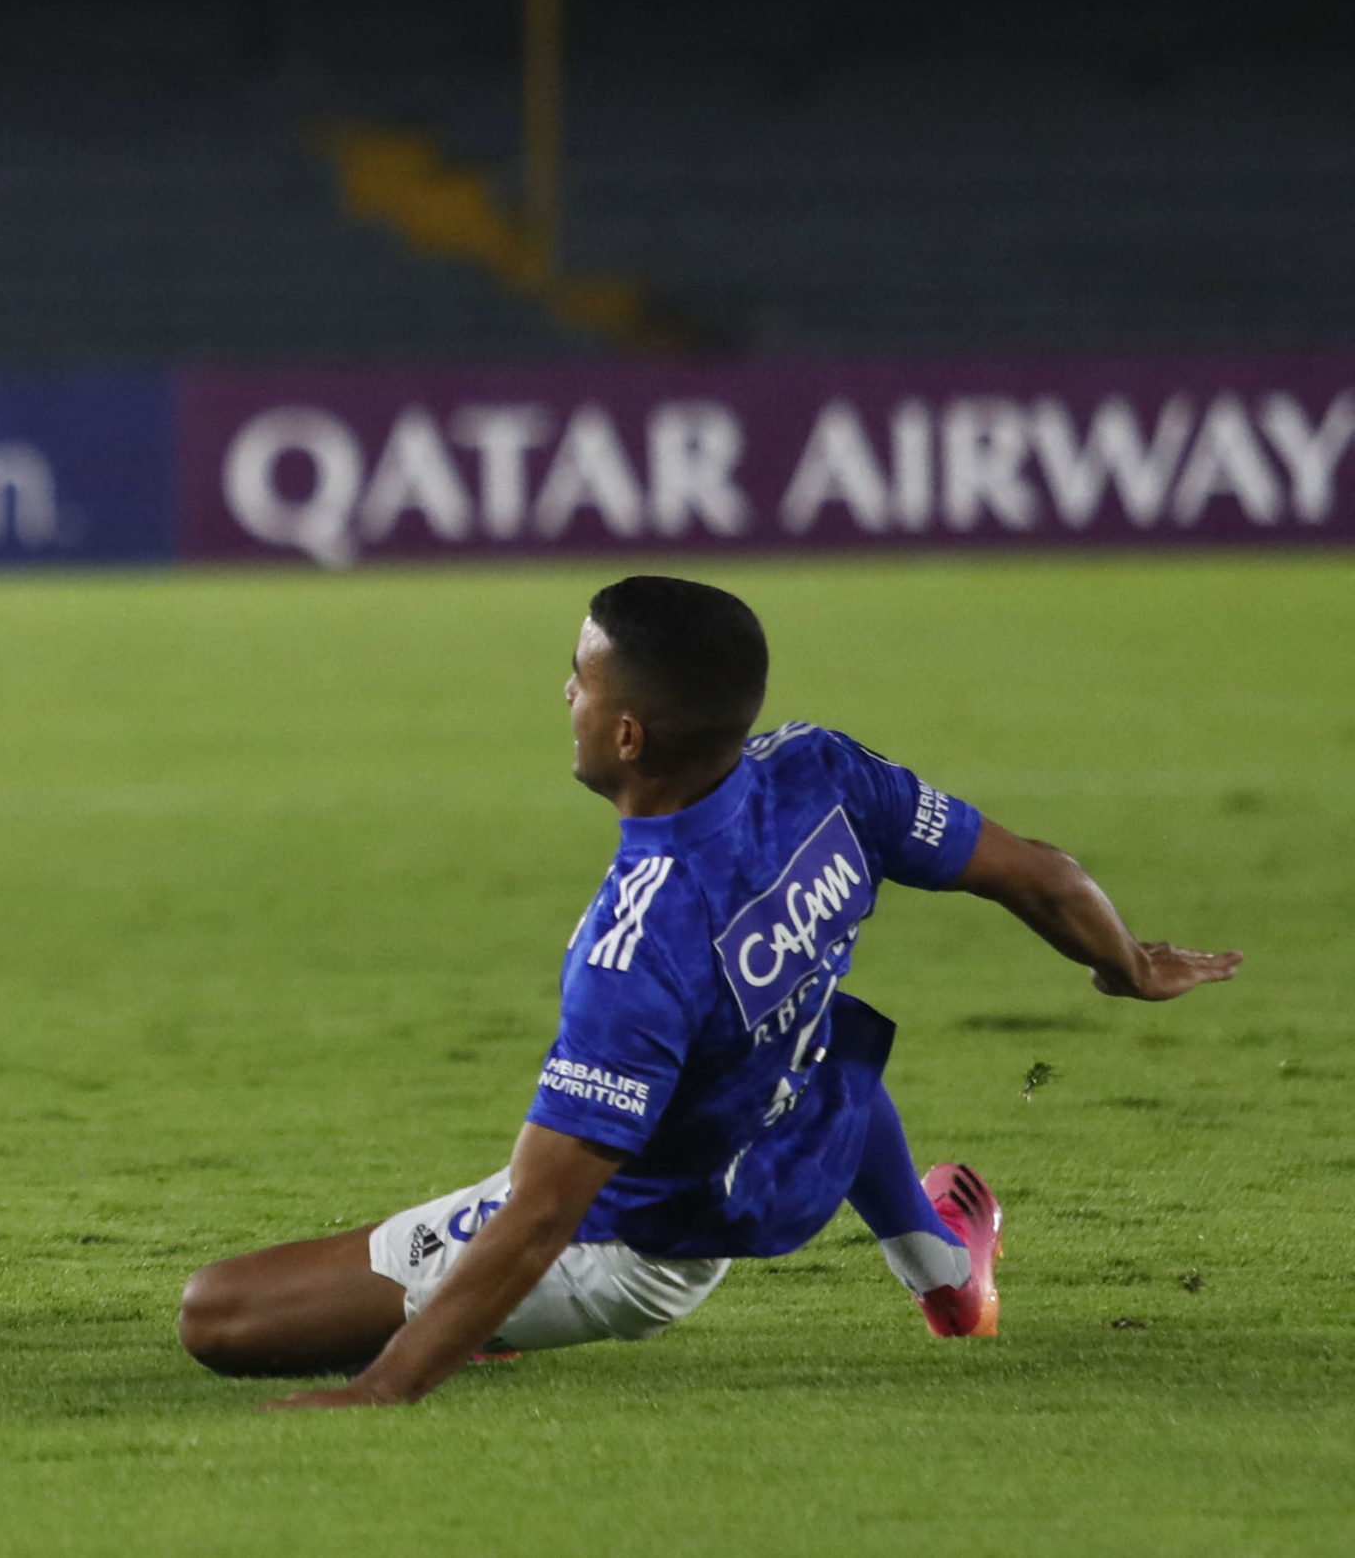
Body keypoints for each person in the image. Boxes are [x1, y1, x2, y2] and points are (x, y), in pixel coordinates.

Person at [176, 576, 1240, 1407]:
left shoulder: (638, 943)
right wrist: (1127, 966)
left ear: (628, 734)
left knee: (218, 1317)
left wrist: (384, 1387)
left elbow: (548, 1213)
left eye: (580, 678)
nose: (566, 694)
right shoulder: (824, 775)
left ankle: (478, 1324)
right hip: (783, 1131)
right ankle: (945, 1272)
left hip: (637, 1247)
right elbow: (1042, 874)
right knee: (821, 1051)